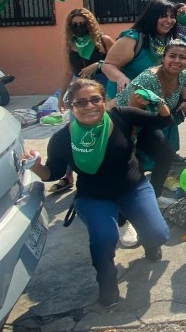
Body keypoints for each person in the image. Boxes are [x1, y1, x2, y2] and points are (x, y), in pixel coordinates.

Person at [25, 79, 172, 307]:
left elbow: (164, 120)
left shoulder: (121, 115)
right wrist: (34, 165)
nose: (89, 106)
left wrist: (158, 101)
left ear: (104, 100)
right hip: (94, 196)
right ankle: (107, 281)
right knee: (104, 239)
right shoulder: (63, 138)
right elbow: (51, 173)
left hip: (133, 187)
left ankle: (150, 243)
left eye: (95, 99)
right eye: (80, 102)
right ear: (72, 107)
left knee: (159, 235)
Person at [115, 40, 186, 154]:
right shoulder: (148, 79)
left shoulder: (183, 76)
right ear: (163, 58)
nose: (177, 61)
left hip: (146, 125)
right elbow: (132, 115)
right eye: (172, 56)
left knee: (166, 156)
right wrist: (130, 146)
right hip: (122, 126)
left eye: (182, 57)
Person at [55, 8, 116, 194]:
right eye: (74, 24)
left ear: (90, 24)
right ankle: (68, 176)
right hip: (78, 93)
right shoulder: (70, 45)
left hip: (102, 89)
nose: (79, 27)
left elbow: (119, 62)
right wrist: (62, 96)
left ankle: (106, 171)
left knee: (106, 130)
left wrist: (98, 64)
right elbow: (67, 72)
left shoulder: (103, 41)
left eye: (83, 24)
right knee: (75, 132)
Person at [102, 0, 180, 99]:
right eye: (163, 16)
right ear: (151, 18)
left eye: (172, 17)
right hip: (128, 98)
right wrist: (120, 77)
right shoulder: (133, 39)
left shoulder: (175, 40)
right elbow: (108, 65)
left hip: (159, 99)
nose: (169, 21)